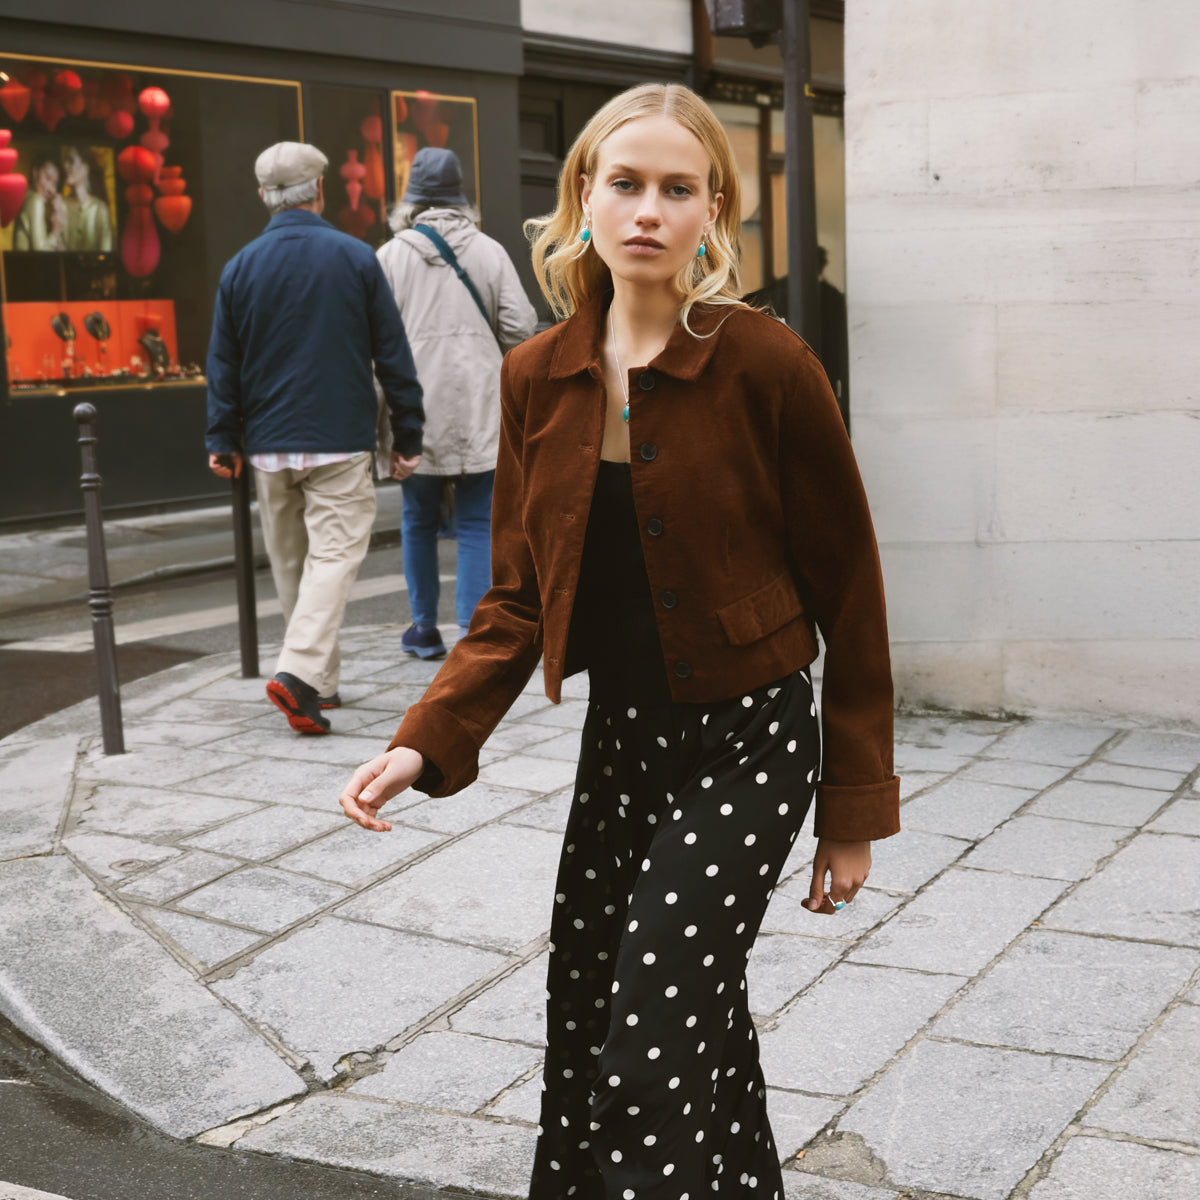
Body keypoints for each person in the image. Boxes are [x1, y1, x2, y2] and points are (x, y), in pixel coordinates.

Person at [339, 84, 899, 1200]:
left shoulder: (766, 364)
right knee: (608, 1002)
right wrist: (425, 740)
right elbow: (516, 599)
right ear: (582, 201)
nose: (648, 209)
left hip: (750, 743)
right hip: (626, 742)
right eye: (625, 183)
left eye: (677, 189)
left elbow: (852, 591)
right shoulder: (535, 375)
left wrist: (852, 811)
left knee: (650, 1035)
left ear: (713, 213)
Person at [206, 141, 424, 735]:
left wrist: (223, 438)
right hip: (338, 437)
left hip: (268, 442)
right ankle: (301, 674)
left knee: (291, 565)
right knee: (333, 557)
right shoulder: (355, 258)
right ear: (321, 189)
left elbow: (223, 363)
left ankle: (316, 687)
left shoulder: (239, 267)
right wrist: (407, 433)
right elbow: (392, 354)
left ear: (262, 196)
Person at [376, 147, 537, 659]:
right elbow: (521, 326)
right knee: (475, 521)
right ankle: (472, 633)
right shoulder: (488, 251)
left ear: (412, 201)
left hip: (412, 411)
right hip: (479, 406)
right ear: (461, 197)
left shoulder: (389, 257)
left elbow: (372, 339)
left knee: (417, 519)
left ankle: (423, 626)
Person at [62, 145, 113, 252]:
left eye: (70, 161)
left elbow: (106, 249)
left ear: (85, 168)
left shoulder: (100, 209)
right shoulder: (61, 206)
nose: (65, 165)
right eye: (66, 161)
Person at [12, 154, 66, 251]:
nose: (51, 189)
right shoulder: (36, 200)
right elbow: (41, 252)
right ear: (35, 172)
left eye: (54, 184)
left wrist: (58, 211)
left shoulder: (27, 198)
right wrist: (56, 231)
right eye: (47, 178)